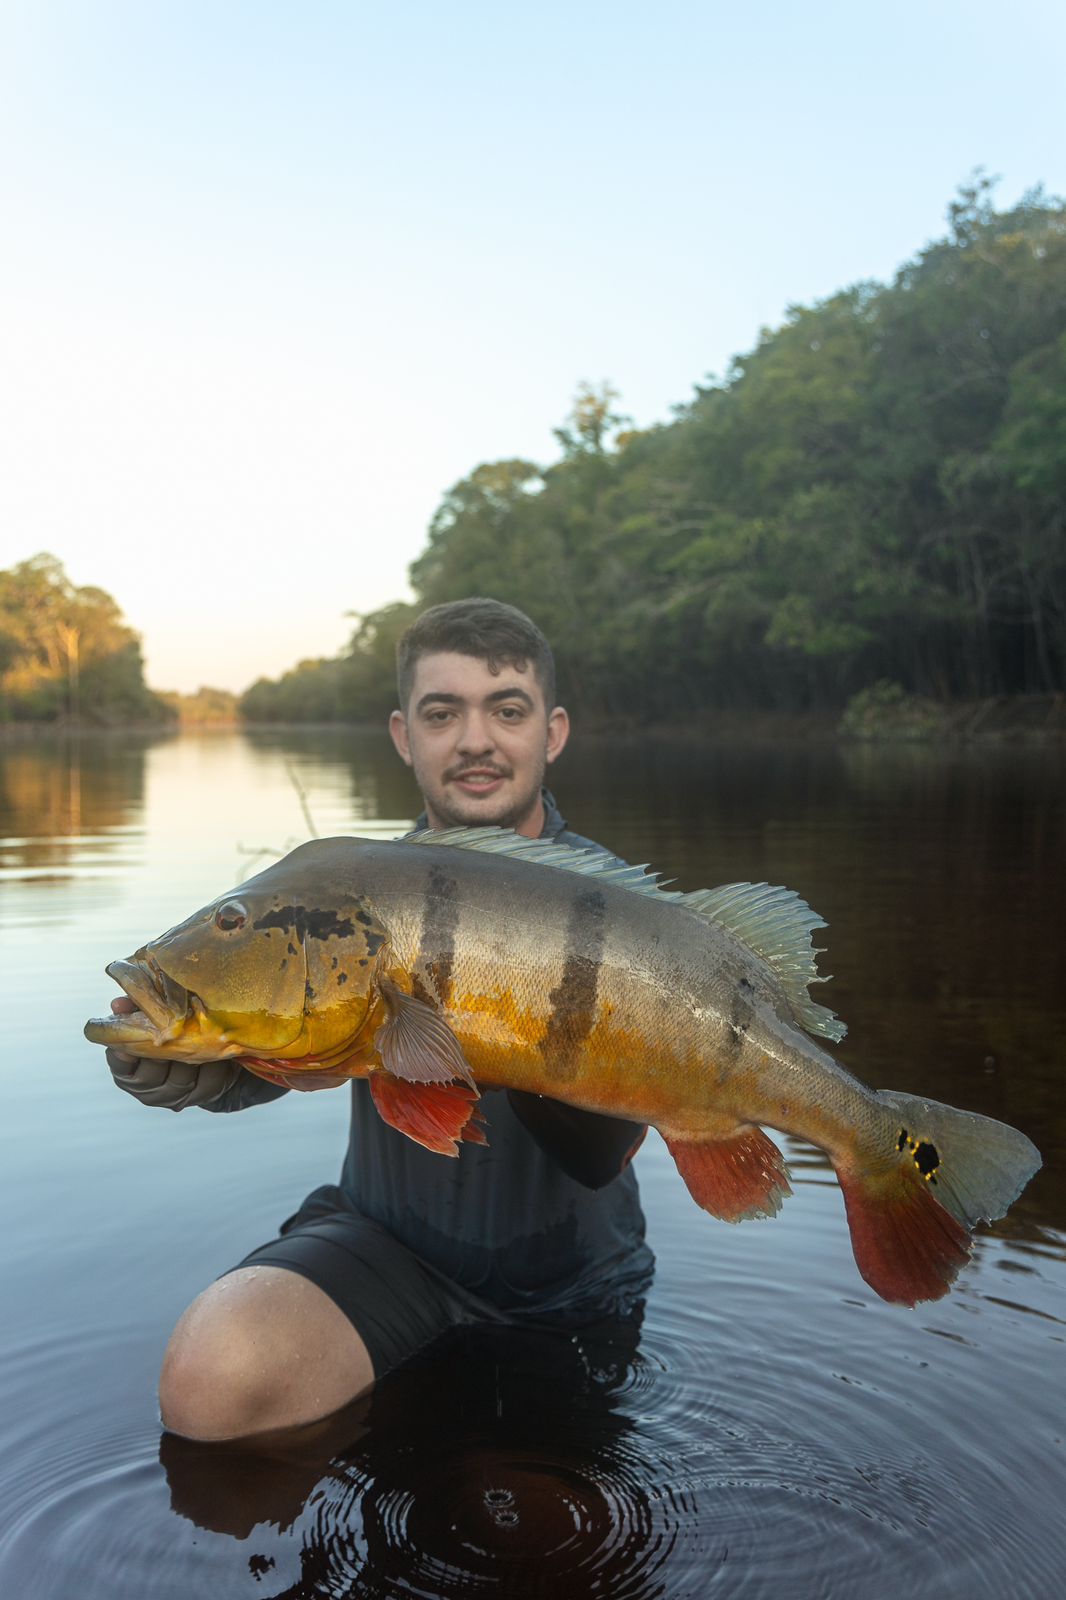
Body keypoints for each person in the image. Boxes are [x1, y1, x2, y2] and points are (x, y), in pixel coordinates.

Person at [104, 598, 652, 1440]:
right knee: (212, 1386)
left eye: (507, 709)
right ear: (404, 735)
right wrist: (206, 1070)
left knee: (532, 1541)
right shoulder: (344, 887)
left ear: (553, 732)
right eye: (443, 713)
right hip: (385, 1244)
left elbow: (603, 1153)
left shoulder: (621, 906)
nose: (475, 739)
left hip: (569, 1279)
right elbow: (309, 1035)